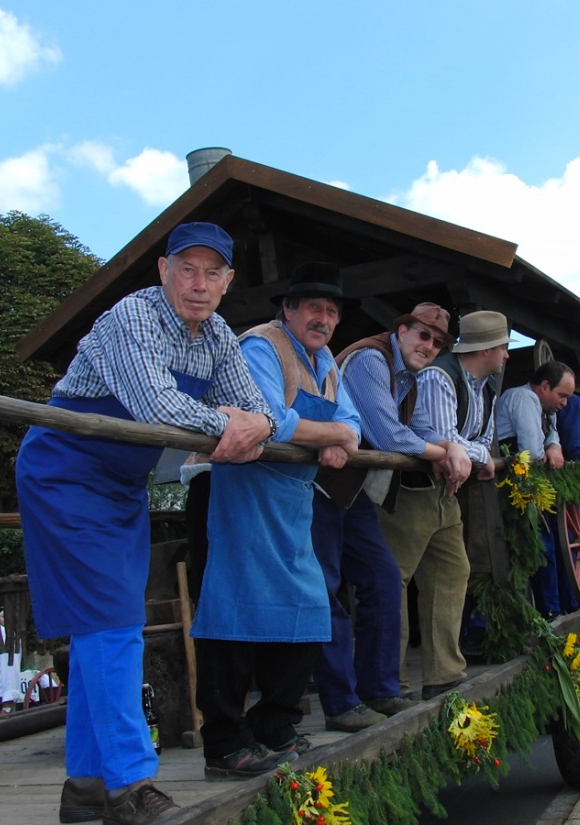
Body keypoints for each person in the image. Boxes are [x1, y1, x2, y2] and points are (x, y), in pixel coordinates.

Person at [15, 222, 275, 824]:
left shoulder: (218, 337)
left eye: (213, 272)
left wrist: (256, 424)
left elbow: (260, 408)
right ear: (164, 271)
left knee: (99, 627)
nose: (199, 283)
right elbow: (155, 406)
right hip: (65, 472)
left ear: (228, 281)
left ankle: (83, 788)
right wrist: (229, 424)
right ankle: (130, 786)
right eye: (188, 268)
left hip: (121, 486)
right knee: (113, 623)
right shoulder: (132, 317)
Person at [190, 261, 362, 777]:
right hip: (234, 492)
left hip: (289, 501)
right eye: (313, 308)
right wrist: (330, 436)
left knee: (309, 606)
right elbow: (272, 419)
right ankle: (223, 743)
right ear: (288, 311)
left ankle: (273, 725)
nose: (323, 319)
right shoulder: (260, 346)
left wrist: (335, 435)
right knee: (231, 615)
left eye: (331, 312)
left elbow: (352, 424)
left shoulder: (328, 362)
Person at [324, 302, 470, 701]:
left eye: (437, 342)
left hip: (347, 490)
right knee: (330, 591)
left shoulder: (410, 375)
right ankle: (352, 697)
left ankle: (383, 690)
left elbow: (417, 427)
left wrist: (448, 445)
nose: (429, 345)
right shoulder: (371, 359)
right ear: (402, 329)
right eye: (423, 335)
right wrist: (444, 454)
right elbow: (389, 436)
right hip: (317, 485)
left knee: (381, 580)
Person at [409, 310, 511, 670]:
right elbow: (442, 436)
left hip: (447, 491)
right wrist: (479, 455)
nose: (507, 355)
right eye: (503, 347)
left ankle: (444, 672)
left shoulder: (486, 388)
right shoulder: (440, 376)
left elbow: (480, 440)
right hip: (411, 490)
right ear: (486, 350)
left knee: (453, 573)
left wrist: (475, 453)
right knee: (395, 581)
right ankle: (392, 682)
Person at [496, 360, 577, 618]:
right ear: (544, 386)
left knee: (550, 543)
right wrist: (547, 448)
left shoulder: (544, 407)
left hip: (529, 484)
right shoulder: (524, 398)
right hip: (515, 487)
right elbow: (531, 449)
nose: (564, 403)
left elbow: (551, 433)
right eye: (561, 395)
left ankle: (559, 604)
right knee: (541, 547)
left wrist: (555, 445)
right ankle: (549, 610)